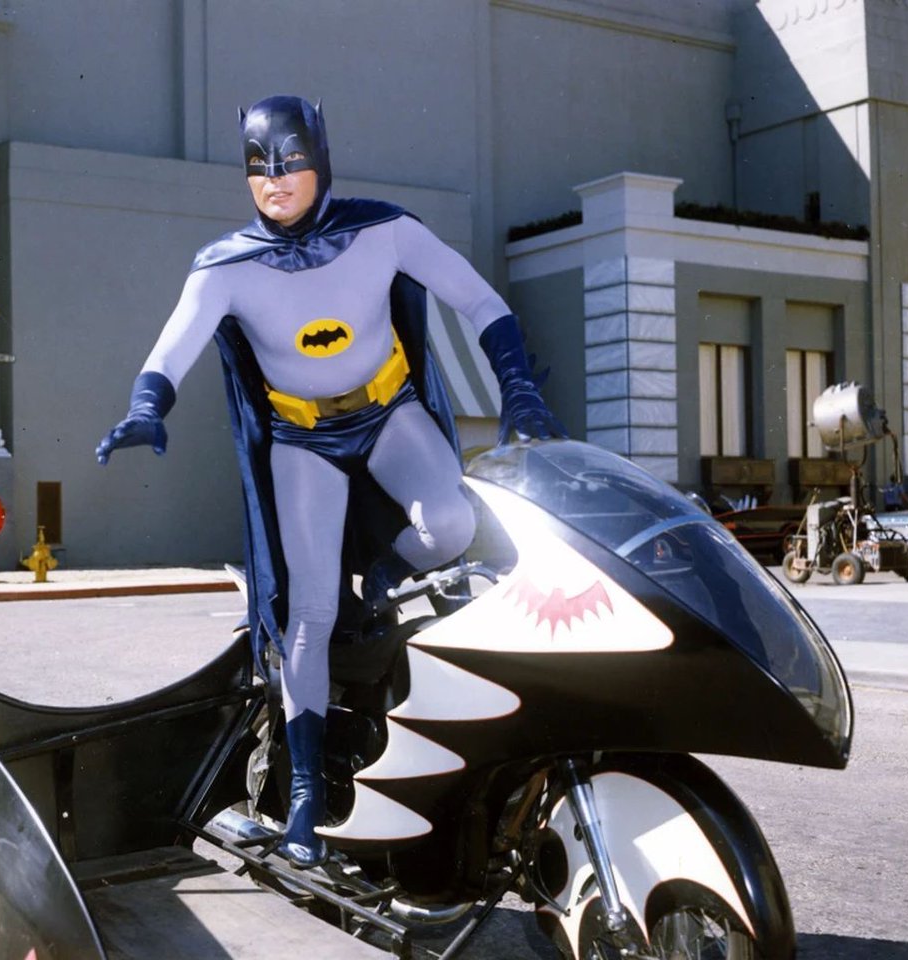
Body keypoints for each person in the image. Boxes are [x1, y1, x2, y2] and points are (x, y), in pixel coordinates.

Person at [96, 95, 562, 868]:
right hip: (300, 436)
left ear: (320, 157)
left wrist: (518, 386)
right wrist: (148, 405)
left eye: (290, 162)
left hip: (389, 414)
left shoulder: (381, 231)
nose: (274, 181)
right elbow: (171, 346)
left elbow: (478, 298)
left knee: (449, 524)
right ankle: (307, 790)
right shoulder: (227, 266)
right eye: (257, 166)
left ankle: (380, 578)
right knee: (308, 613)